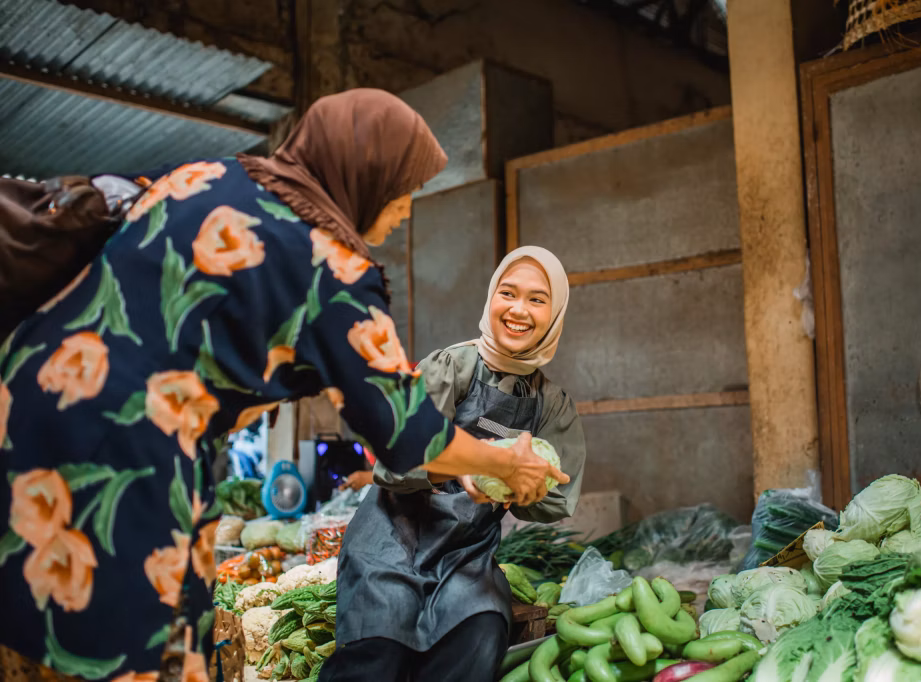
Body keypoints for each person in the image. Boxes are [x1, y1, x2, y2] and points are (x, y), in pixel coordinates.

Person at [0, 90, 566, 680]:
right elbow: (407, 433)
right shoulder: (332, 266)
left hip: (23, 408)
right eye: (401, 192)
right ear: (363, 175)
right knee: (120, 641)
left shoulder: (207, 175)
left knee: (27, 627)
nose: (403, 212)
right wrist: (505, 463)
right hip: (122, 452)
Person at [322, 246, 587, 682]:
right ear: (491, 298)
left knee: (478, 638)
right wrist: (463, 470)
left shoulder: (551, 406)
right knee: (378, 653)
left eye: (538, 299)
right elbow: (393, 460)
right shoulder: (450, 367)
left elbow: (556, 496)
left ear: (555, 313)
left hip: (466, 558)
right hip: (392, 541)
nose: (518, 310)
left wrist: (527, 487)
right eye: (508, 293)